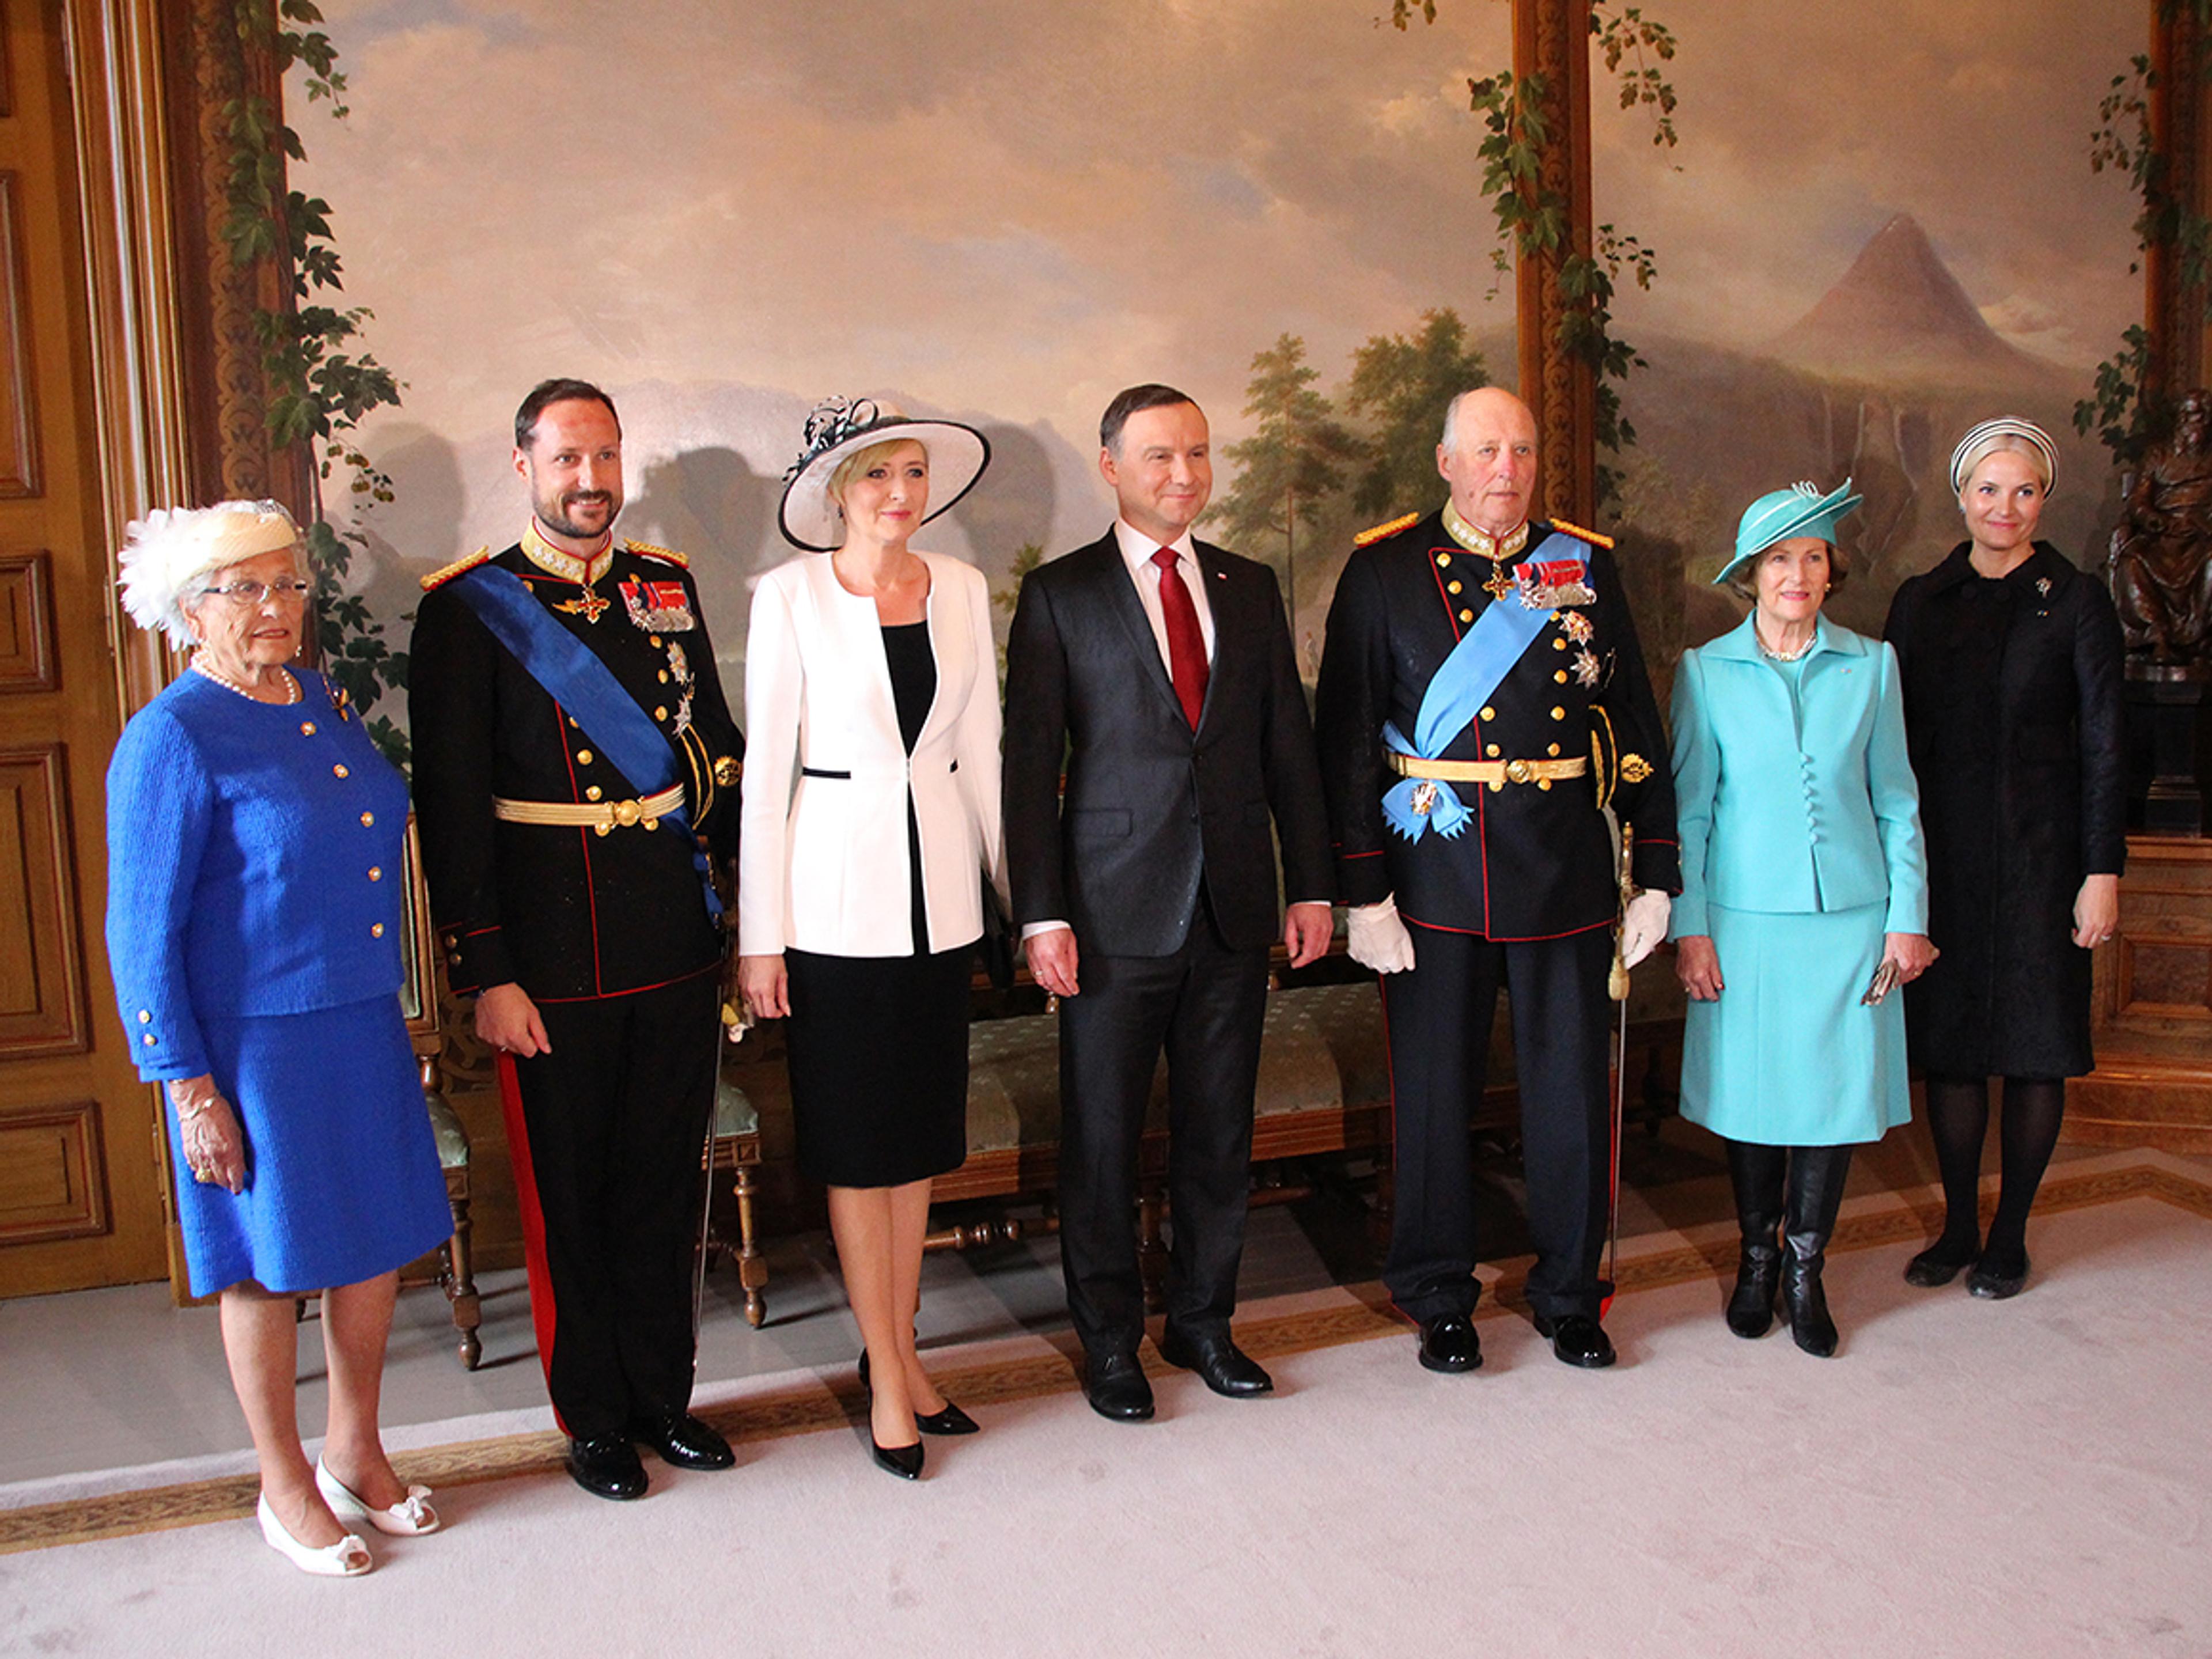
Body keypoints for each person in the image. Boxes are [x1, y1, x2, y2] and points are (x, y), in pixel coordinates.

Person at [409, 378, 745, 1501]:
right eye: (566, 459)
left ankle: (664, 1399)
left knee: (662, 1186)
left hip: (673, 940)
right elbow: (453, 812)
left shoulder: (664, 587)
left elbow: (716, 750)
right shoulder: (469, 610)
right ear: (525, 467)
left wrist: (745, 910)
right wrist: (488, 971)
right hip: (550, 957)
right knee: (571, 1198)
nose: (590, 480)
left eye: (604, 456)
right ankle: (594, 1416)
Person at [105, 502, 453, 1575]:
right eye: (245, 589)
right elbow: (140, 933)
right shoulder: (170, 737)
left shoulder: (317, 700)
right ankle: (283, 1480)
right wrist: (187, 1087)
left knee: (376, 1241)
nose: (276, 607)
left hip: (358, 1018)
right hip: (254, 1048)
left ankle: (355, 1451)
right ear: (189, 611)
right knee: (264, 1263)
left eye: (289, 585)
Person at [1313, 386, 1676, 1373]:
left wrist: (1655, 869)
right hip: (1434, 870)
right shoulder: (1385, 569)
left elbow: (1632, 721)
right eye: (1485, 451)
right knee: (1434, 1097)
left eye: (1520, 451)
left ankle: (1572, 1293)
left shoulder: (1581, 564)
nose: (1505, 469)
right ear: (1446, 463)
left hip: (1563, 867)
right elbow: (1344, 742)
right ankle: (1438, 1293)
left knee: (1572, 1094)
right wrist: (1365, 894)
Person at [1003, 384, 1333, 1421]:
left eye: (1196, 453)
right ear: (1111, 467)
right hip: (1109, 915)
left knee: (1218, 1134)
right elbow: (1028, 768)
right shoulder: (1060, 595)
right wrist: (1041, 913)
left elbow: (1289, 750)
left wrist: (1311, 883)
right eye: (1158, 456)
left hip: (1233, 907)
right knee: (1102, 1143)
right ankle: (1110, 1345)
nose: (1183, 474)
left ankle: (1204, 1323)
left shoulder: (1248, 584)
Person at [737, 398, 1002, 1480]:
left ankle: (903, 1349)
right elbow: (765, 780)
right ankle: (888, 1374)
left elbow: (984, 751)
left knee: (919, 1142)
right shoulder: (789, 597)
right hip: (830, 910)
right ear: (838, 491)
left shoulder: (964, 587)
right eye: (878, 475)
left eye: (914, 473)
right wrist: (761, 939)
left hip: (942, 905)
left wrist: (1026, 902)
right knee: (858, 1146)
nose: (900, 493)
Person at [1671, 481, 1935, 1357]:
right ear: (1750, 574)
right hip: (1743, 925)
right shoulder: (1705, 672)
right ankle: (1756, 1260)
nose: (1798, 574)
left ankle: (1804, 1269)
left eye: (1813, 557)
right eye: (1780, 559)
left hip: (1851, 923)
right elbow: (1690, 815)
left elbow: (1897, 802)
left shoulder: (1874, 665)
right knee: (1754, 1100)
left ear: (1832, 571)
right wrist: (1691, 928)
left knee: (1833, 1100)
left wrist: (1907, 919)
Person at [1884, 418, 2126, 1299]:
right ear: (1962, 497)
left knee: (2034, 1050)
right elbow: (1890, 747)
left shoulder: (2079, 601)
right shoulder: (1920, 601)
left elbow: (2105, 744)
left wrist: (2103, 872)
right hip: (1942, 863)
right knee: (1951, 1051)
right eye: (1989, 489)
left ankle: (2009, 1236)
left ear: (2043, 500)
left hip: (2044, 865)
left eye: (2024, 491)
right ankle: (1957, 1226)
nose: (2005, 507)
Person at [2109, 389, 2212, 662]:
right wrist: (2154, 519)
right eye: (2194, 415)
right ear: (2181, 419)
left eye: (2205, 416)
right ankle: (2156, 633)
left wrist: (2200, 523)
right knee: (2132, 560)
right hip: (2162, 535)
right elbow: (2138, 501)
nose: (2200, 422)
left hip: (2202, 537)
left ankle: (2199, 638)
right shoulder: (2158, 456)